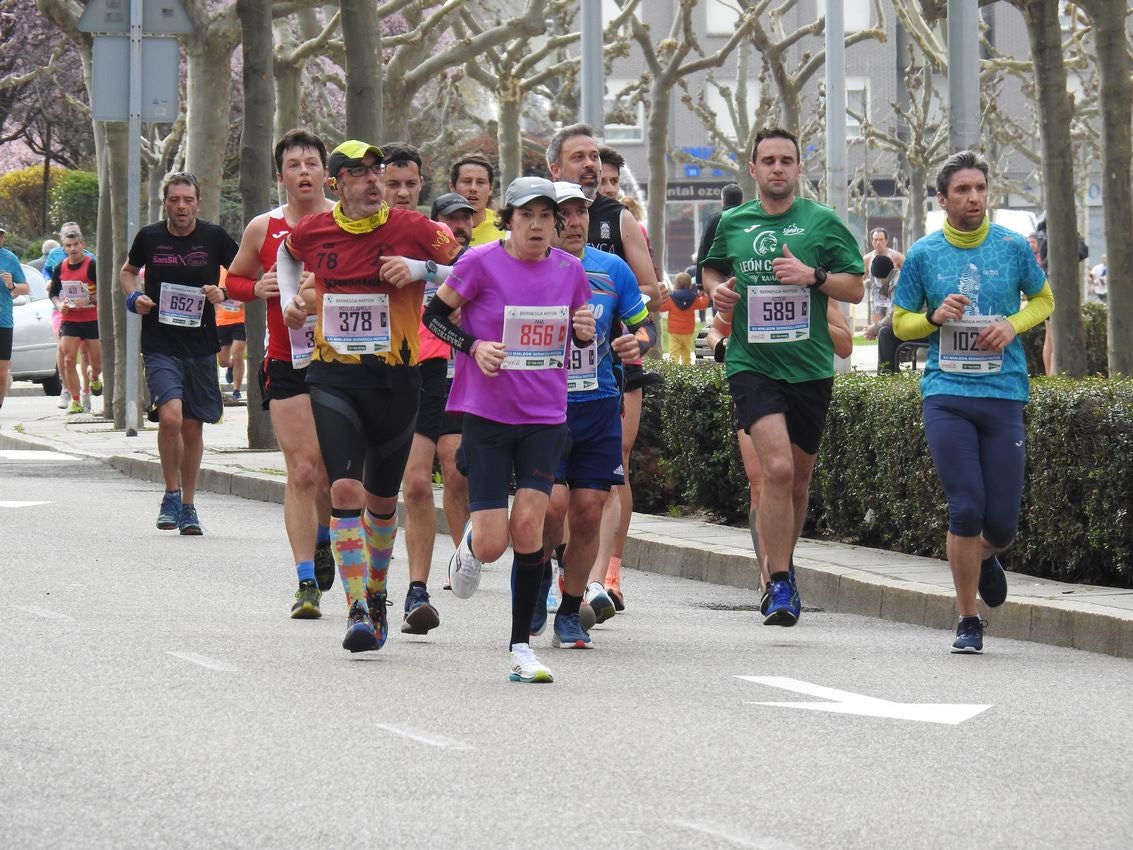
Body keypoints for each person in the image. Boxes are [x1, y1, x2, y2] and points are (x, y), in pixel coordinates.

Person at [278, 139, 462, 653]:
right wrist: (294, 300)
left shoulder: (414, 229)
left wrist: (421, 269)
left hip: (398, 378)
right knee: (343, 492)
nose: (372, 179)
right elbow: (287, 254)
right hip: (334, 378)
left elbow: (472, 270)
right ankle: (357, 607)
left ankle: (378, 592)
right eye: (359, 172)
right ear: (337, 183)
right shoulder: (315, 229)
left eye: (376, 170)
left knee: (383, 502)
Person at [422, 176, 595, 683]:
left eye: (547, 217)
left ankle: (521, 649)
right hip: (487, 415)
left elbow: (580, 338)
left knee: (529, 530)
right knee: (496, 542)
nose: (538, 226)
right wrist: (474, 347)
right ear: (509, 221)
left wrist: (585, 332)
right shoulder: (479, 263)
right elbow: (434, 318)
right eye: (528, 216)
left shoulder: (570, 271)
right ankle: (474, 541)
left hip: (544, 416)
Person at [701, 126, 864, 627]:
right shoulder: (732, 222)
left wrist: (813, 277)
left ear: (797, 169)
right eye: (767, 160)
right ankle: (779, 581)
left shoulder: (823, 222)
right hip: (752, 363)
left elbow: (855, 287)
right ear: (753, 169)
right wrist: (719, 292)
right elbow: (711, 272)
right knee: (775, 470)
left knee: (797, 481)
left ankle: (783, 564)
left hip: (810, 366)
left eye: (786, 160)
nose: (777, 168)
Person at [892, 150, 1052, 653]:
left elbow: (1044, 300)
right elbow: (899, 324)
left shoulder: (1011, 247)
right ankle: (967, 618)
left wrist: (1013, 324)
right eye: (962, 190)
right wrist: (935, 318)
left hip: (1003, 394)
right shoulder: (923, 254)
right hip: (947, 396)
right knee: (966, 508)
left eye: (979, 189)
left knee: (1000, 523)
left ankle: (985, 556)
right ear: (943, 199)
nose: (974, 198)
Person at [547, 125, 662, 617]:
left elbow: (648, 308)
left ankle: (597, 579)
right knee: (553, 501)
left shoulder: (618, 227)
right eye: (579, 157)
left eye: (596, 156)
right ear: (555, 171)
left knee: (607, 477)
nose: (591, 165)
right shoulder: (526, 245)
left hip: (605, 376)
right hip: (541, 395)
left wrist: (630, 335)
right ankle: (550, 570)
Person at [223, 129, 337, 619]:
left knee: (334, 472)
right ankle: (305, 581)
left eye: (312, 163)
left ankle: (327, 537)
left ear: (326, 173)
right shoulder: (262, 228)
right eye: (294, 165)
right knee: (303, 468)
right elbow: (233, 280)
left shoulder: (344, 222)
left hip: (341, 359)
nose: (304, 172)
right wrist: (260, 287)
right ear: (280, 176)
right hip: (287, 359)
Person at [374, 144, 468, 635]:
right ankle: (373, 586)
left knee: (422, 480)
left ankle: (417, 590)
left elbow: (474, 273)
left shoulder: (435, 234)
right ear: (377, 186)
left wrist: (422, 270)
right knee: (385, 488)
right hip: (371, 368)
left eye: (411, 184)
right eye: (394, 185)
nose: (404, 193)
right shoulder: (362, 230)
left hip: (428, 368)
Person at [706, 301, 852, 607]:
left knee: (796, 485)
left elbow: (845, 344)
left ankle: (782, 561)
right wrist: (722, 345)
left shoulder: (815, 289)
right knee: (762, 483)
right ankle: (771, 579)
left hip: (804, 385)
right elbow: (716, 328)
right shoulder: (750, 279)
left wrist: (810, 317)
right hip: (756, 386)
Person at [121, 172, 239, 535]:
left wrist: (223, 292)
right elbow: (128, 272)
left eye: (188, 200)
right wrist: (134, 296)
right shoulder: (151, 237)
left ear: (198, 203)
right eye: (175, 200)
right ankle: (170, 494)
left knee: (192, 426)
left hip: (202, 345)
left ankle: (188, 505)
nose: (182, 206)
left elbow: (241, 276)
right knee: (170, 418)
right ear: (165, 203)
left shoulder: (214, 237)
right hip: (160, 345)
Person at [49, 231, 103, 415]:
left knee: (97, 362)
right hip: (70, 319)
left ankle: (94, 376)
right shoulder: (60, 267)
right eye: (68, 245)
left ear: (83, 245)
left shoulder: (92, 265)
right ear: (64, 248)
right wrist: (60, 304)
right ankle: (76, 400)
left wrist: (90, 299)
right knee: (68, 359)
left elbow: (104, 293)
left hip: (91, 319)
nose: (72, 249)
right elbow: (53, 293)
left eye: (75, 244)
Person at [1, 230, 29, 420]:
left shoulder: (9, 258)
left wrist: (12, 286)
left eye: (1, 235)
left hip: (3, 320)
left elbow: (25, 287)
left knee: (2, 373)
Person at [449, 154, 506, 246]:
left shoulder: (504, 229)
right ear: (452, 186)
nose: (473, 188)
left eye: (480, 182)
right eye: (467, 181)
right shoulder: (437, 228)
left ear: (490, 188)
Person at [695, 182, 744, 285]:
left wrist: (700, 282)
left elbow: (704, 249)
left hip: (718, 278)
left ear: (723, 200)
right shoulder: (748, 219)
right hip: (743, 275)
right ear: (741, 200)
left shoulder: (715, 220)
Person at [659, 271, 708, 364]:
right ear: (690, 286)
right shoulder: (694, 299)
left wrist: (661, 297)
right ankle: (686, 370)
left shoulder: (671, 299)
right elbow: (704, 304)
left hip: (674, 332)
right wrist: (703, 294)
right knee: (686, 353)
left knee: (674, 354)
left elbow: (661, 308)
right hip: (687, 332)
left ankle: (674, 372)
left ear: (675, 285)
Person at [213, 270, 246, 402]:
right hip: (222, 321)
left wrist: (244, 299)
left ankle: (236, 390)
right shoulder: (218, 270)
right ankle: (230, 366)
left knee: (238, 353)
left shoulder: (242, 269)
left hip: (240, 320)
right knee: (223, 362)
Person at [862, 227, 905, 327]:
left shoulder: (896, 256)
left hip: (893, 295)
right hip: (876, 297)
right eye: (875, 240)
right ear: (871, 241)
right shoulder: (867, 259)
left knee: (893, 323)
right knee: (878, 326)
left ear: (886, 241)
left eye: (881, 239)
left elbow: (908, 272)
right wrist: (866, 283)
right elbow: (860, 279)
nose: (878, 242)